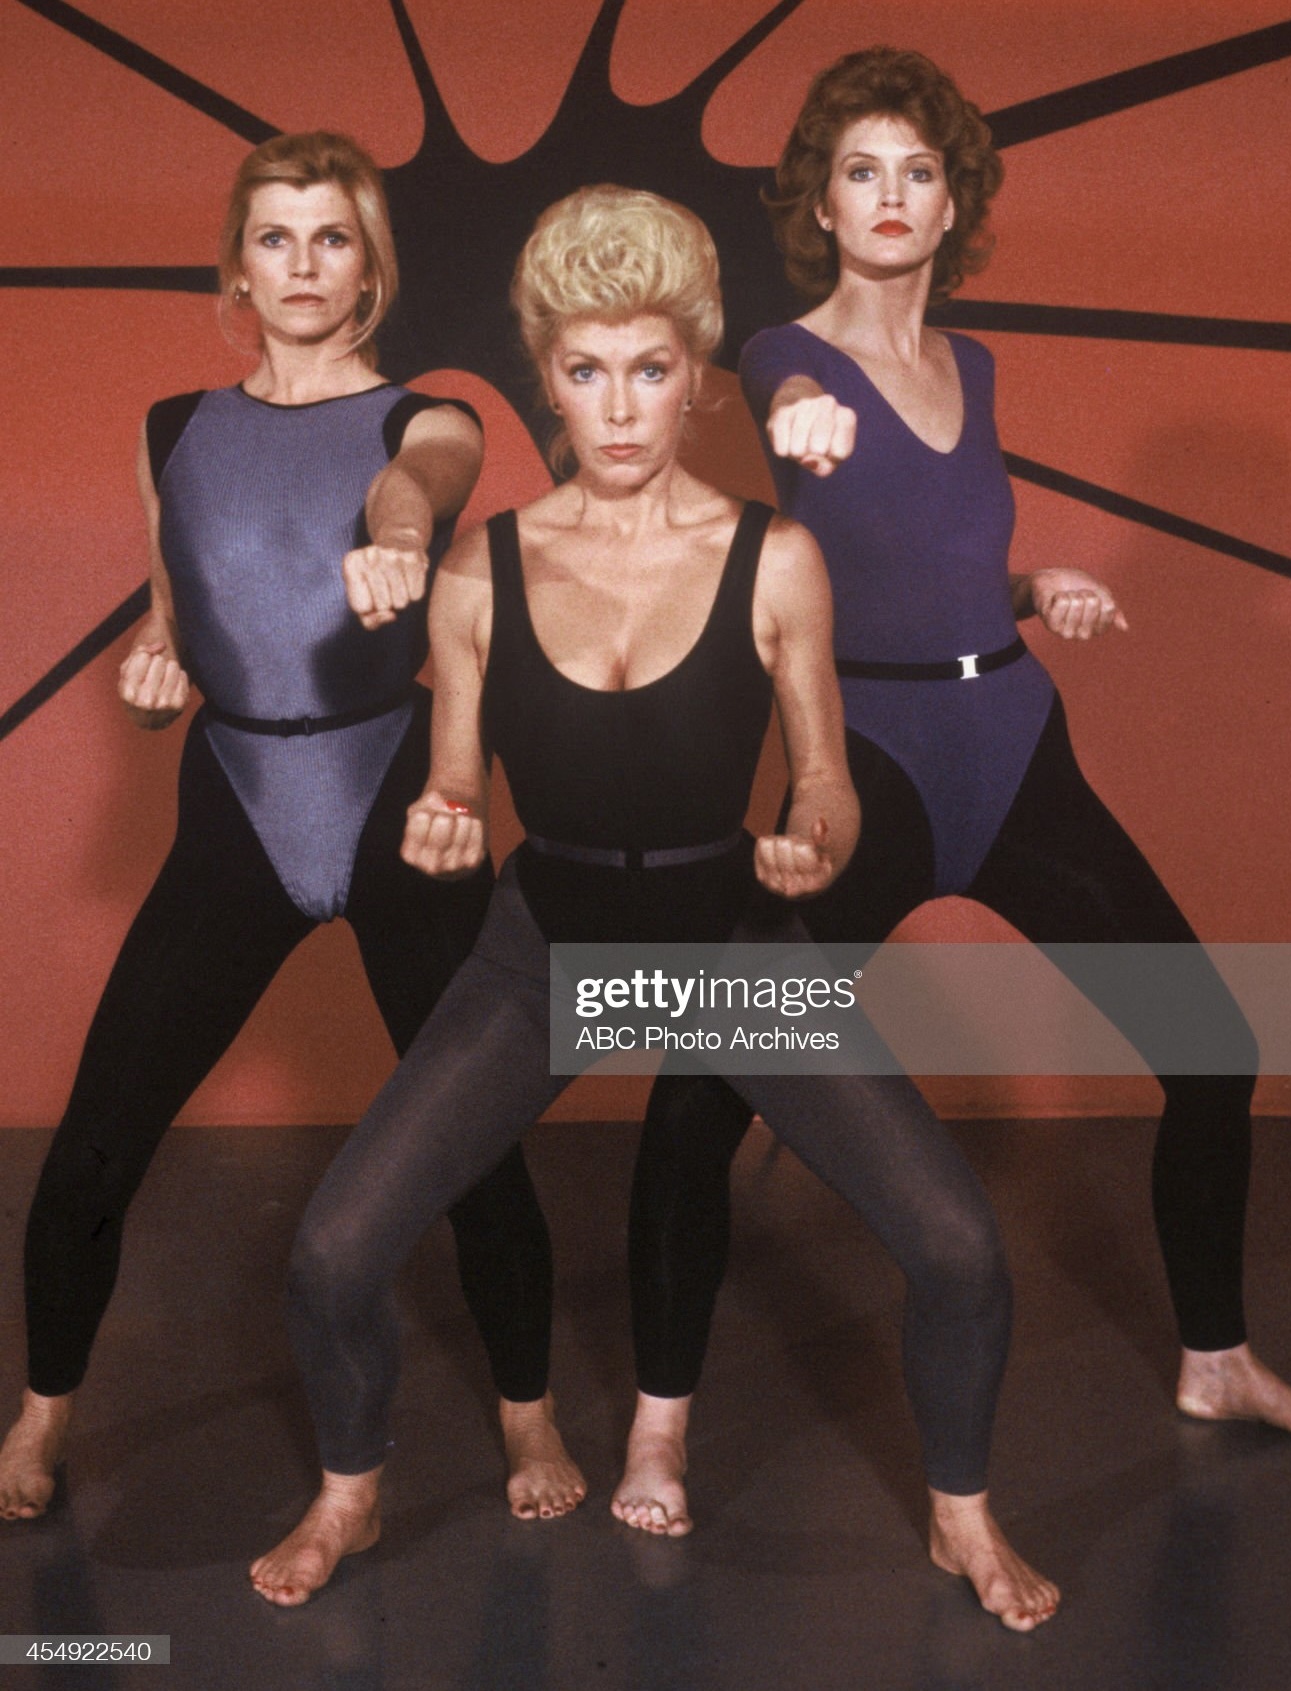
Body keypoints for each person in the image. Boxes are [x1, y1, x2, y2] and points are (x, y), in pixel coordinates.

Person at [249, 184, 1059, 1630]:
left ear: (695, 378)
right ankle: (349, 1492)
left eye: (649, 369)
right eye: (584, 370)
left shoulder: (775, 558)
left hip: (725, 949)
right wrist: (442, 820)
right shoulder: (481, 568)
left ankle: (961, 1517)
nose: (618, 408)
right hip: (546, 956)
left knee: (959, 1248)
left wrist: (813, 843)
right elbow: (456, 785)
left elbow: (827, 788)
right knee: (330, 1251)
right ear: (546, 378)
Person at [629, 43, 1291, 1530]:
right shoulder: (784, 358)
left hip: (1016, 749)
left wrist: (1032, 588)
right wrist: (795, 422)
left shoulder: (974, 368)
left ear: (953, 203)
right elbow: (789, 412)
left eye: (918, 171)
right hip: (875, 771)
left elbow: (930, 557)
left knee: (1213, 1053)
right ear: (821, 204)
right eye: (861, 172)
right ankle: (657, 1429)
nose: (891, 195)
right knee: (701, 1088)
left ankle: (1214, 1360)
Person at [0, 132, 586, 1531]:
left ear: (370, 269)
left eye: (333, 239)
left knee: (476, 1140)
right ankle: (41, 1412)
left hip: (395, 796)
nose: (304, 265)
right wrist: (152, 673)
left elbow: (416, 484)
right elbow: (178, 617)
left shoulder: (428, 415)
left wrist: (399, 537)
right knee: (93, 1147)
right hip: (239, 809)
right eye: (276, 239)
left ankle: (531, 1415)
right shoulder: (171, 430)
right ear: (238, 270)